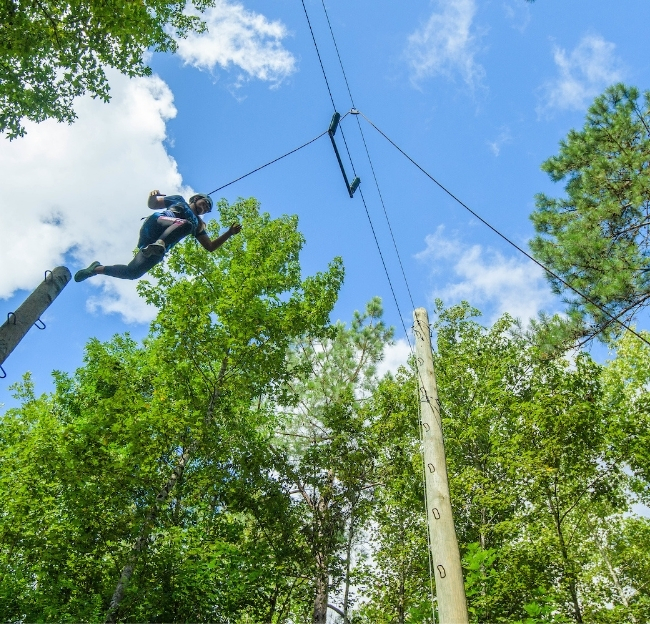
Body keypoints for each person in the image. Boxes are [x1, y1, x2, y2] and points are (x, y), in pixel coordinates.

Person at [74, 190, 242, 282]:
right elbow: (153, 205)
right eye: (203, 203)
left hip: (153, 247)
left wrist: (228, 233)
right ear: (196, 199)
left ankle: (95, 269)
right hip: (156, 224)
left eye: (206, 209)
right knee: (186, 224)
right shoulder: (180, 201)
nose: (204, 208)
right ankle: (160, 244)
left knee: (132, 273)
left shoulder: (199, 224)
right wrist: (152, 197)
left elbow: (210, 247)